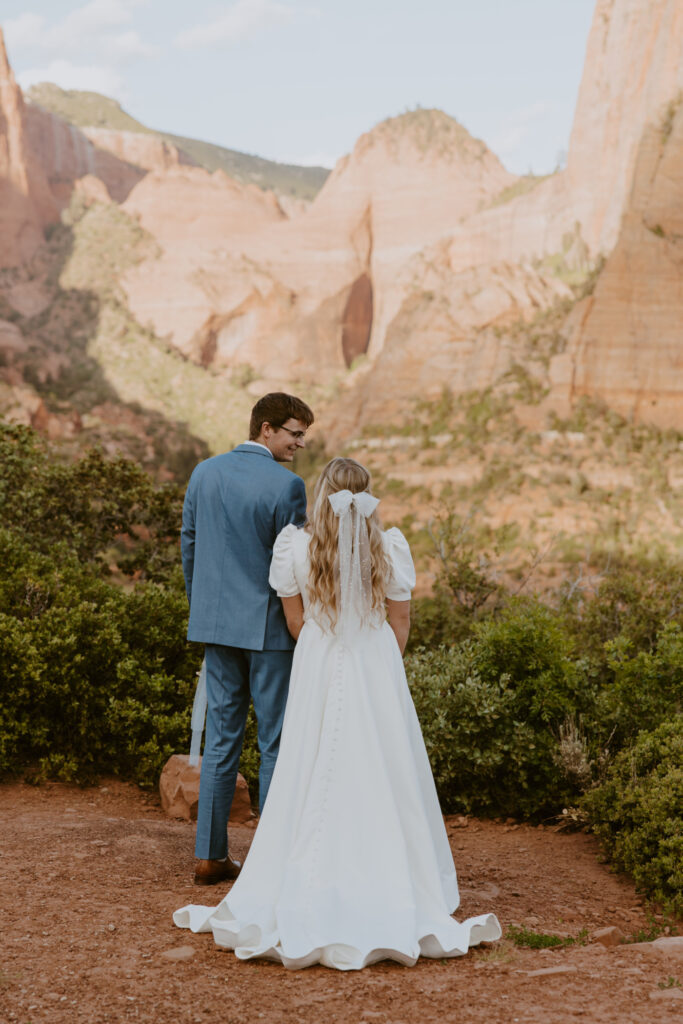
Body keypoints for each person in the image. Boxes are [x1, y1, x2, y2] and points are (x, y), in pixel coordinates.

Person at [174, 457, 501, 969]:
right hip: (375, 664)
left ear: (321, 494)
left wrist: (328, 651)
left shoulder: (296, 547)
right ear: (368, 497)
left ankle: (303, 873)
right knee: (379, 765)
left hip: (318, 662)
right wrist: (373, 659)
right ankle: (388, 872)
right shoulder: (389, 546)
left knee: (310, 762)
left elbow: (295, 619)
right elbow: (401, 621)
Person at [181, 392, 314, 886]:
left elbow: (189, 545)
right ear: (266, 429)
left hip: (216, 626)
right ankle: (270, 862)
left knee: (221, 739)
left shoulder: (203, 473)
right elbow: (292, 570)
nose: (300, 443)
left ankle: (209, 856)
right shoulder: (288, 487)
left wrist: (206, 612)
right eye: (294, 433)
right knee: (275, 740)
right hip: (269, 632)